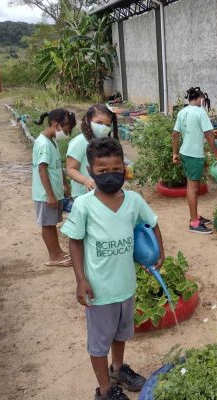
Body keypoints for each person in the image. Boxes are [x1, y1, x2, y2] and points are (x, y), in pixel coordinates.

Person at [61, 138, 165, 400]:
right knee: (99, 343)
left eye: (116, 169)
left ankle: (118, 370)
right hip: (99, 291)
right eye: (103, 170)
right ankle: (105, 389)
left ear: (124, 168)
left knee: (121, 333)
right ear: (90, 170)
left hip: (126, 286)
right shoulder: (84, 205)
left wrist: (159, 252)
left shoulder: (133, 200)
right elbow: (75, 242)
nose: (111, 175)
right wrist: (80, 280)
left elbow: (152, 223)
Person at [172, 87, 217, 234]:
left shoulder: (182, 112)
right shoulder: (200, 112)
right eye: (203, 99)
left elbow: (175, 134)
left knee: (191, 185)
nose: (204, 102)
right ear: (200, 98)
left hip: (184, 153)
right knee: (193, 188)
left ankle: (195, 216)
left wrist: (175, 153)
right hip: (194, 155)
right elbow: (209, 136)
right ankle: (194, 222)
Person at [32, 108, 76, 267]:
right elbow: (42, 169)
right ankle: (53, 256)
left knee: (52, 224)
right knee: (47, 225)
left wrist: (65, 183)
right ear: (56, 125)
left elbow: (57, 167)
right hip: (45, 194)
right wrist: (49, 195)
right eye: (66, 130)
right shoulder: (43, 143)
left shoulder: (52, 142)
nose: (67, 134)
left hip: (54, 192)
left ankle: (58, 252)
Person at [67, 104, 119, 199]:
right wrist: (85, 181)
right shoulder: (80, 142)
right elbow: (70, 169)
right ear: (88, 120)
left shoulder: (106, 142)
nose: (103, 127)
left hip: (102, 193)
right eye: (99, 123)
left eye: (107, 125)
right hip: (83, 195)